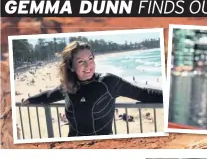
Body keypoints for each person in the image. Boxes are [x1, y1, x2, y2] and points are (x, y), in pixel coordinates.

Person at [22, 41, 163, 137]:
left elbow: (145, 93)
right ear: (71, 66)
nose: (88, 65)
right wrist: (29, 100)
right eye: (81, 62)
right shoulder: (68, 86)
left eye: (90, 59)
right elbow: (48, 96)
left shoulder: (108, 82)